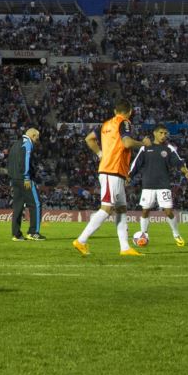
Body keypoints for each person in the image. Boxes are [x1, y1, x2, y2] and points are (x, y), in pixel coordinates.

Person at [75, 98, 148, 257]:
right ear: (129, 112)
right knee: (107, 208)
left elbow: (89, 138)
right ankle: (81, 240)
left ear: (115, 111)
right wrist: (143, 143)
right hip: (112, 171)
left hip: (113, 170)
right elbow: (127, 143)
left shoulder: (105, 124)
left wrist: (100, 154)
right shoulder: (125, 122)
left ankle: (125, 248)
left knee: (121, 209)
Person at [129, 125, 188, 247]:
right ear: (155, 133)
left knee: (168, 211)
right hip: (148, 184)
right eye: (161, 133)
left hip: (163, 184)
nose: (163, 135)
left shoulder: (168, 148)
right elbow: (136, 163)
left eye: (165, 133)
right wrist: (129, 176)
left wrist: (186, 171)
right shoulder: (146, 147)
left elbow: (179, 162)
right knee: (145, 211)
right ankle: (144, 234)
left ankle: (176, 234)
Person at [8, 127, 43, 241]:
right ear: (33, 136)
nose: (37, 141)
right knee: (36, 204)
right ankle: (33, 232)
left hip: (14, 179)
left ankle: (16, 234)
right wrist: (27, 177)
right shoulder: (27, 144)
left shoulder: (15, 144)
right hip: (24, 179)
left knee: (18, 206)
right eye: (37, 139)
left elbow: (10, 161)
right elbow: (26, 160)